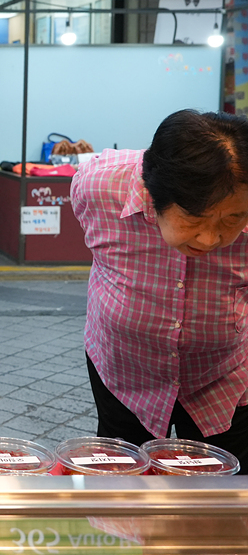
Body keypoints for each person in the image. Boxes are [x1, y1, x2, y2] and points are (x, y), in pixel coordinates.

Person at [71, 109, 248, 463]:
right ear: (154, 195)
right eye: (194, 219)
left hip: (225, 375)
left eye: (233, 219)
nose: (212, 237)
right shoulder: (98, 187)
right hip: (123, 367)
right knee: (122, 476)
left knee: (226, 484)